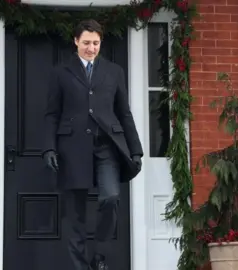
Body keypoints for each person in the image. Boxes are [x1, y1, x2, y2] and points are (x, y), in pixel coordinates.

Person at [42, 19, 143, 270]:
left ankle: (99, 256)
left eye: (96, 43)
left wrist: (136, 149)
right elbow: (52, 114)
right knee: (74, 215)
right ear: (76, 41)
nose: (91, 48)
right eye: (86, 42)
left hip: (106, 147)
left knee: (110, 197)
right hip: (71, 149)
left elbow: (124, 113)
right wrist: (49, 147)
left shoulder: (114, 72)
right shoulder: (60, 72)